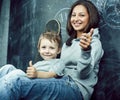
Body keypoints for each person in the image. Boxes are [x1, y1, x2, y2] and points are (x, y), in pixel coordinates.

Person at [0, 0, 104, 100]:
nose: (76, 18)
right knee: (7, 69)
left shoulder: (94, 43)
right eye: (73, 15)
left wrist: (85, 51)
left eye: (81, 15)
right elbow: (57, 69)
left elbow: (83, 74)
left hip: (75, 88)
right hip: (59, 80)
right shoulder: (68, 43)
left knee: (15, 83)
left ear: (90, 18)